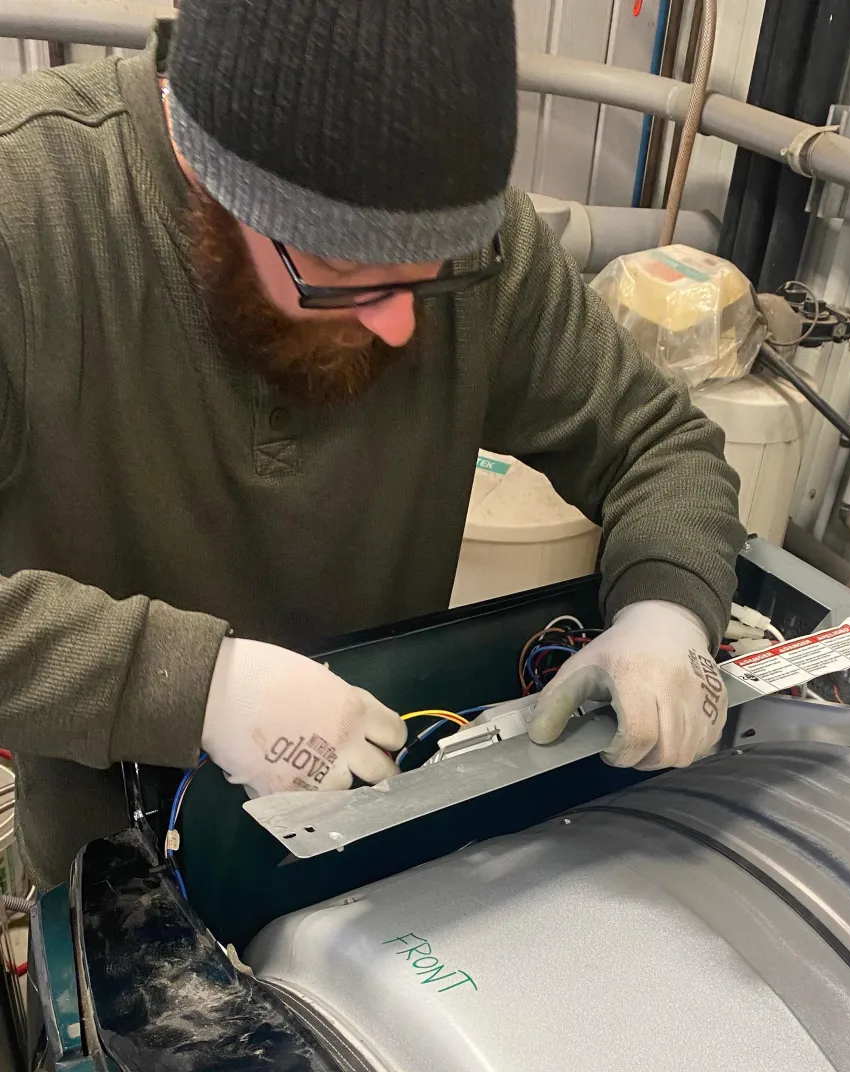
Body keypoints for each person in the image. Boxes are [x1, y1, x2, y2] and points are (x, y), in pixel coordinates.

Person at [0, 0, 745, 890]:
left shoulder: (481, 249)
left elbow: (657, 444)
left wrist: (667, 610)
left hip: (370, 842)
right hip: (109, 879)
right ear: (209, 175)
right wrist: (189, 684)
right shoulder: (27, 210)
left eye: (427, 275)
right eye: (346, 270)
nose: (397, 325)